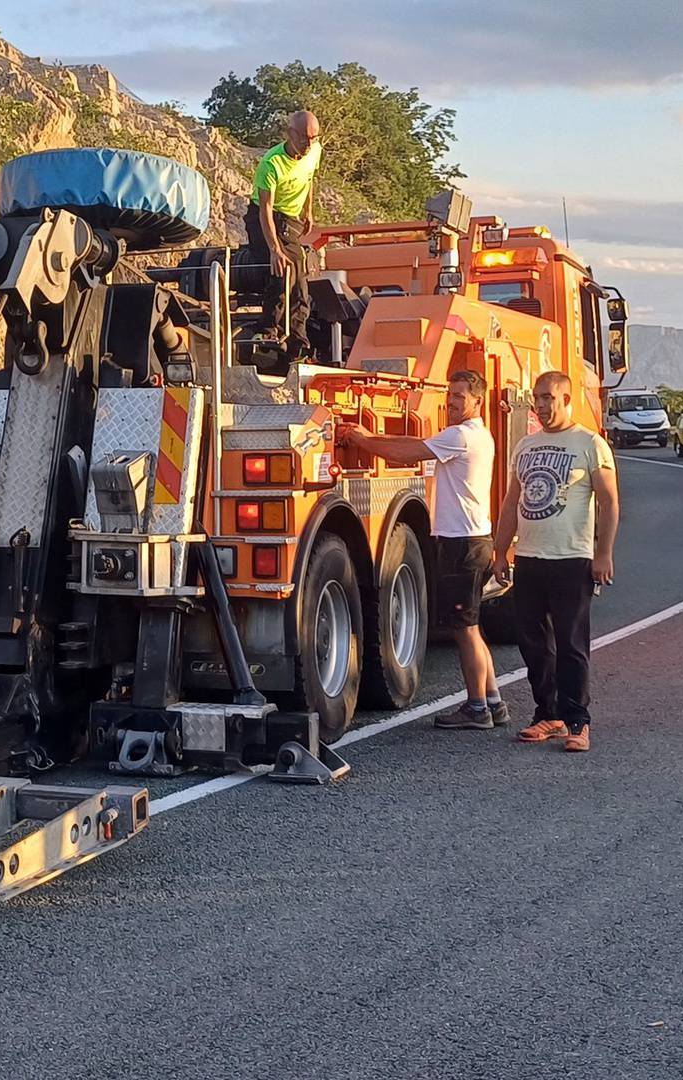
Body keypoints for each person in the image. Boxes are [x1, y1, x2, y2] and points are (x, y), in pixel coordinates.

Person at [338, 370, 506, 729]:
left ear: (477, 400)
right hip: (473, 541)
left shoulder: (461, 436)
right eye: (450, 394)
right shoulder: (473, 435)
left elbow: (408, 452)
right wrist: (371, 436)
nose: (452, 401)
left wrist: (363, 441)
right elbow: (414, 440)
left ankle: (477, 709)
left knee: (465, 630)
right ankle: (493, 700)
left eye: (459, 396)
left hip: (461, 544)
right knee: (472, 627)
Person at [494, 371, 620, 752]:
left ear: (566, 399)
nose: (542, 405)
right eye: (538, 398)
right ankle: (547, 713)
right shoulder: (526, 445)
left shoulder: (589, 444)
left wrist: (603, 553)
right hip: (530, 559)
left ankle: (577, 720)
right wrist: (500, 551)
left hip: (572, 559)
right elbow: (510, 501)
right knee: (533, 643)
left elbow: (610, 502)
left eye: (549, 397)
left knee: (571, 643)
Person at [244, 110, 321, 357]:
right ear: (290, 134)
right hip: (266, 216)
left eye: (314, 137)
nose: (308, 143)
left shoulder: (314, 151)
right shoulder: (271, 163)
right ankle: (268, 329)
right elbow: (265, 208)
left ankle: (298, 339)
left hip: (292, 218)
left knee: (300, 271)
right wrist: (274, 249)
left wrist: (308, 211)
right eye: (304, 137)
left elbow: (309, 179)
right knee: (286, 265)